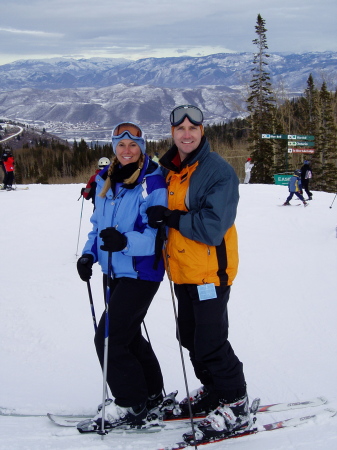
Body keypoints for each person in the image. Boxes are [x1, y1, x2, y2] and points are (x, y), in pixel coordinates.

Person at [146, 105, 250, 443]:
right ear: (172, 133)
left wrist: (171, 217)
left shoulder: (217, 171)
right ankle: (214, 391)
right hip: (183, 272)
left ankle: (236, 403)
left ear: (202, 132)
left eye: (193, 128)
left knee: (210, 342)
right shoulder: (172, 170)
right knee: (189, 338)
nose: (187, 133)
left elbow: (212, 228)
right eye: (181, 128)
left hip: (209, 273)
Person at [76, 122, 168, 432]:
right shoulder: (105, 179)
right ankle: (152, 395)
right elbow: (97, 226)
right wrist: (89, 253)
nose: (127, 150)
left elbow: (157, 234)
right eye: (121, 144)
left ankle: (131, 403)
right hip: (113, 270)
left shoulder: (152, 180)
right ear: (114, 147)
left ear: (142, 146)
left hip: (141, 272)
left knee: (108, 339)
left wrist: (126, 242)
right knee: (128, 337)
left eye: (133, 144)